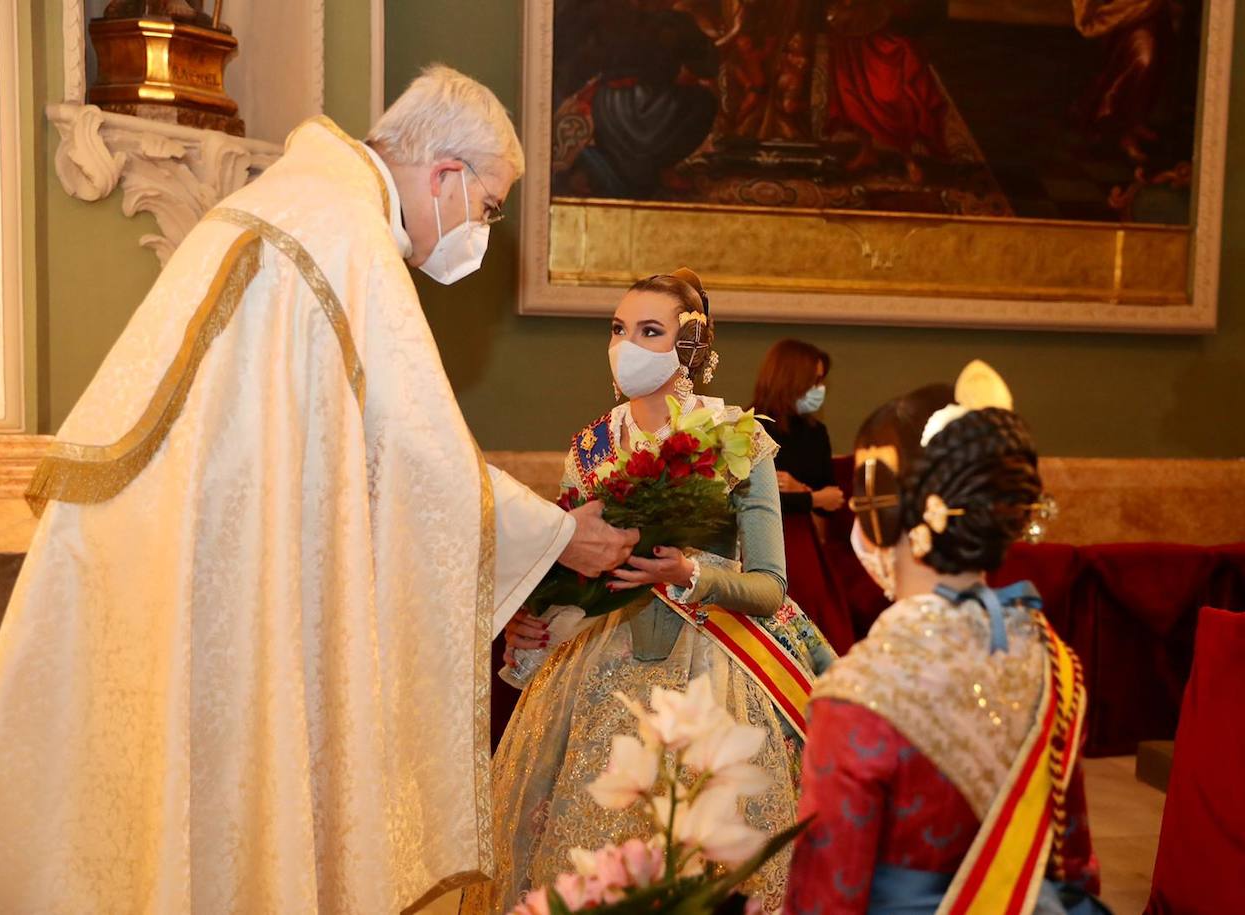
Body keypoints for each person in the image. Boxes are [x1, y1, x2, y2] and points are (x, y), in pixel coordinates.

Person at [0, 64, 638, 914]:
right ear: (444, 175)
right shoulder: (348, 235)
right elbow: (420, 447)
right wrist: (558, 536)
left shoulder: (292, 199)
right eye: (487, 207)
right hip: (241, 576)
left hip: (191, 555)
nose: (480, 228)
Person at [462, 269, 834, 914]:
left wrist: (685, 572)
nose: (625, 345)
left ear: (691, 346)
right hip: (594, 674)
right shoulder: (590, 447)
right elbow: (571, 565)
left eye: (649, 331)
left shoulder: (740, 438)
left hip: (715, 674)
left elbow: (771, 587)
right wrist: (533, 616)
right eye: (618, 329)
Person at [785, 362, 1105, 914]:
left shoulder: (859, 690)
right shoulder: (1054, 658)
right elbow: (1072, 865)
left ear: (881, 508)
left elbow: (825, 897)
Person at [751, 338, 856, 653]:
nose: (819, 389)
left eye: (821, 381)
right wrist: (812, 497)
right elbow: (758, 498)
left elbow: (833, 500)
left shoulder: (815, 432)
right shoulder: (752, 426)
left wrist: (800, 491)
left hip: (803, 540)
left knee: (815, 614)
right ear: (790, 379)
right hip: (764, 538)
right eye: (814, 381)